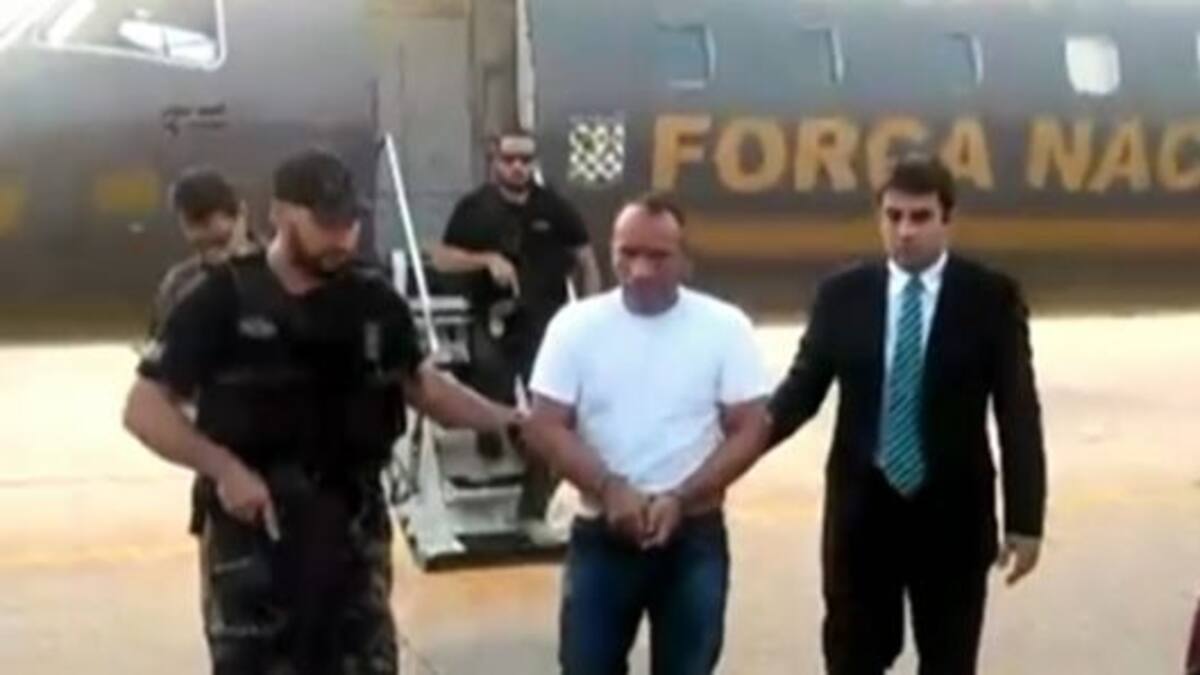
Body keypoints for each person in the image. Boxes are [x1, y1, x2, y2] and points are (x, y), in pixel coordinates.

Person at [123, 148, 519, 674]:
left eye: (349, 223)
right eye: (326, 223)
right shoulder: (218, 299)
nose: (342, 238)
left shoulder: (374, 301)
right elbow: (145, 410)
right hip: (256, 531)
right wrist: (225, 469)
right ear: (280, 214)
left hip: (351, 527)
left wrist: (508, 420)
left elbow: (424, 387)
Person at [767, 155, 1047, 674]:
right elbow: (798, 395)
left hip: (953, 521)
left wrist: (1025, 520)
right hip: (862, 519)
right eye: (893, 216)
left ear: (948, 219)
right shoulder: (842, 296)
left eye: (920, 217)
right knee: (851, 658)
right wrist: (727, 452)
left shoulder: (990, 298)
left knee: (949, 661)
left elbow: (1018, 413)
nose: (905, 231)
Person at [524, 193, 770, 675]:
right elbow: (545, 424)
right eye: (627, 254)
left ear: (687, 261)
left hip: (693, 538)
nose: (639, 270)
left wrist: (682, 497)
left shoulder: (724, 328)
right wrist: (609, 488)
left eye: (658, 257)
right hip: (600, 535)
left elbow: (750, 428)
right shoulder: (575, 327)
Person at [432, 128, 601, 529]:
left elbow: (587, 260)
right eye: (510, 160)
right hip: (490, 318)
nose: (518, 167)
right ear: (495, 161)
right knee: (491, 383)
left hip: (545, 322)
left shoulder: (554, 207)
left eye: (525, 160)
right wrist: (486, 260)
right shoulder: (474, 208)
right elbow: (441, 258)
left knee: (551, 414)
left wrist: (590, 314)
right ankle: (494, 430)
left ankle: (533, 505)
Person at [147, 167, 259, 336]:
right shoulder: (179, 283)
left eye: (205, 222)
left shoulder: (279, 272)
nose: (198, 235)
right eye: (189, 225)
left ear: (239, 215)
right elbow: (161, 343)